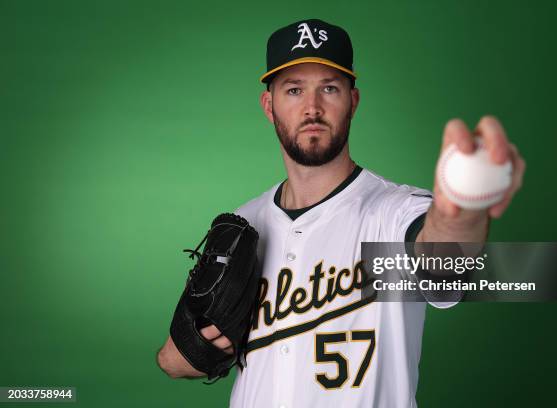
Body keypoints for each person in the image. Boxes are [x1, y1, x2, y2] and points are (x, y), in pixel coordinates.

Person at [157, 18, 525, 407]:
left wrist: (461, 209)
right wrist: (186, 351)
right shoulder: (245, 227)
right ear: (270, 105)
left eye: (329, 88)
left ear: (353, 100)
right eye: (294, 90)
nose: (312, 107)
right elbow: (177, 360)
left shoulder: (392, 213)